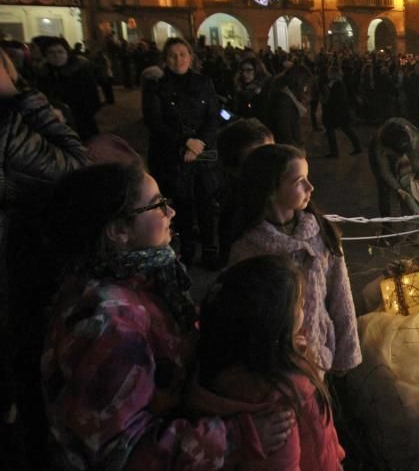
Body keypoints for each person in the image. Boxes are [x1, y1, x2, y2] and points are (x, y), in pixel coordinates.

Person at [41, 163, 294, 470]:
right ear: (119, 231)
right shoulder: (109, 325)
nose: (171, 212)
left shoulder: (141, 282)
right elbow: (124, 455)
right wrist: (235, 438)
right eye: (158, 204)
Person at [0, 48, 89, 470]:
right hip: (17, 270)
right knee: (28, 375)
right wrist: (27, 100)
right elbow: (76, 166)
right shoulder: (8, 123)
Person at [189, 255, 345, 470]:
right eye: (298, 304)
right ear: (274, 322)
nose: (304, 309)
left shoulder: (221, 362)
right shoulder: (278, 403)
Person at [229, 144, 361, 375]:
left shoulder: (320, 232)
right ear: (270, 190)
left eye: (307, 178)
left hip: (321, 356)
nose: (310, 187)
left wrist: (346, 354)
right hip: (276, 371)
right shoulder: (248, 249)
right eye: (298, 181)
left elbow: (341, 296)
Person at [142, 37, 221, 265]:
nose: (179, 59)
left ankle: (210, 249)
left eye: (183, 54)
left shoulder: (203, 82)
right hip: (173, 155)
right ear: (165, 59)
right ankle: (186, 250)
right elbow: (154, 121)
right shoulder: (156, 85)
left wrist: (199, 144)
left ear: (191, 56)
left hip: (203, 154)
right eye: (173, 55)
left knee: (207, 204)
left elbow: (214, 116)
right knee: (182, 205)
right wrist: (185, 142)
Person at [215, 118, 275, 268]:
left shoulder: (276, 190)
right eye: (259, 158)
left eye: (272, 153)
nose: (273, 162)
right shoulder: (236, 208)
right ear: (234, 168)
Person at [36, 37, 102, 140]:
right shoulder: (43, 75)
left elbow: (93, 101)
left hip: (82, 124)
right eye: (51, 52)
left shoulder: (81, 72)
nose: (56, 56)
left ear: (67, 52)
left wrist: (72, 116)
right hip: (54, 125)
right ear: (46, 55)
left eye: (60, 52)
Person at [368, 117, 419, 218]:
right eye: (397, 155)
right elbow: (384, 171)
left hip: (402, 145)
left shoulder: (414, 136)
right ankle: (386, 224)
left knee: (408, 180)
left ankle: (407, 215)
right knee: (384, 187)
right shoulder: (379, 145)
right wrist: (398, 189)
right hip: (382, 151)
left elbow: (414, 158)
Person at [263, 65, 313, 150]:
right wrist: (295, 150)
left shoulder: (287, 97)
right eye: (305, 84)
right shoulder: (284, 100)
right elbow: (283, 131)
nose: (306, 88)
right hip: (287, 151)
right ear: (299, 83)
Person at [320, 60, 362, 158]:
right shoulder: (335, 83)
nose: (328, 74)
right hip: (338, 112)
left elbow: (336, 99)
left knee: (338, 130)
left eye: (330, 72)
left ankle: (335, 152)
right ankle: (356, 147)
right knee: (345, 130)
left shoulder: (337, 84)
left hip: (338, 112)